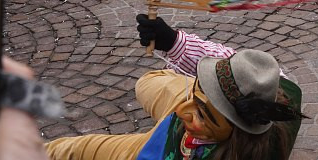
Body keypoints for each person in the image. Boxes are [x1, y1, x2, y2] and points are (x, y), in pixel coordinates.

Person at [46, 17, 304, 160]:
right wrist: (173, 42)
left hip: (161, 148)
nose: (180, 110)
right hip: (197, 115)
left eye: (205, 114)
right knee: (149, 81)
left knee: (74, 150)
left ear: (239, 133)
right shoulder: (276, 88)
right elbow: (230, 59)